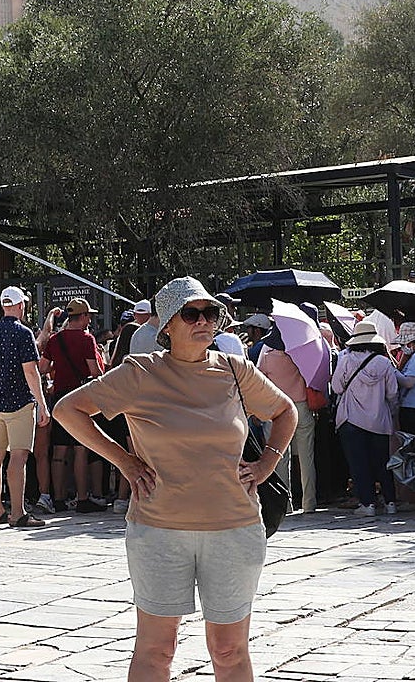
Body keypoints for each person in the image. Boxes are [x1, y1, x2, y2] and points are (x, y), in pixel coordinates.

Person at [54, 277, 296, 682]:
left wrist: (267, 463)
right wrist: (124, 461)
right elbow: (67, 410)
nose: (203, 321)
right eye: (191, 313)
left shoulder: (235, 369)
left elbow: (285, 411)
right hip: (158, 530)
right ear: (167, 324)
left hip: (234, 528)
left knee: (230, 650)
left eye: (210, 313)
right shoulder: (140, 372)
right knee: (156, 649)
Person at [0, 287, 50, 528]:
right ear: (21, 306)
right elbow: (30, 371)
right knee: (18, 457)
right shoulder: (23, 333)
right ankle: (18, 513)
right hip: (20, 402)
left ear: (3, 306)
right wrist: (42, 404)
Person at [42, 298, 108, 514]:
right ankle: (82, 498)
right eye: (89, 316)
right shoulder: (87, 339)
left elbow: (43, 368)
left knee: (59, 449)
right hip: (80, 398)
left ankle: (59, 498)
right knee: (80, 448)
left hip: (59, 397)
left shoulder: (55, 340)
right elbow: (95, 373)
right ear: (84, 316)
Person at [330, 321, 400, 517]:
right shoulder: (384, 363)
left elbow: (336, 387)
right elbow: (392, 393)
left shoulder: (346, 360)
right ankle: (390, 502)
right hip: (379, 420)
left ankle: (367, 504)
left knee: (358, 463)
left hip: (351, 419)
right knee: (382, 462)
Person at [257, 320, 316, 513]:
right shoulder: (301, 354)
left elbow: (260, 381)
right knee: (307, 457)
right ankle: (309, 502)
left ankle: (285, 505)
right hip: (301, 406)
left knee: (279, 457)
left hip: (277, 409)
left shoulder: (267, 355)